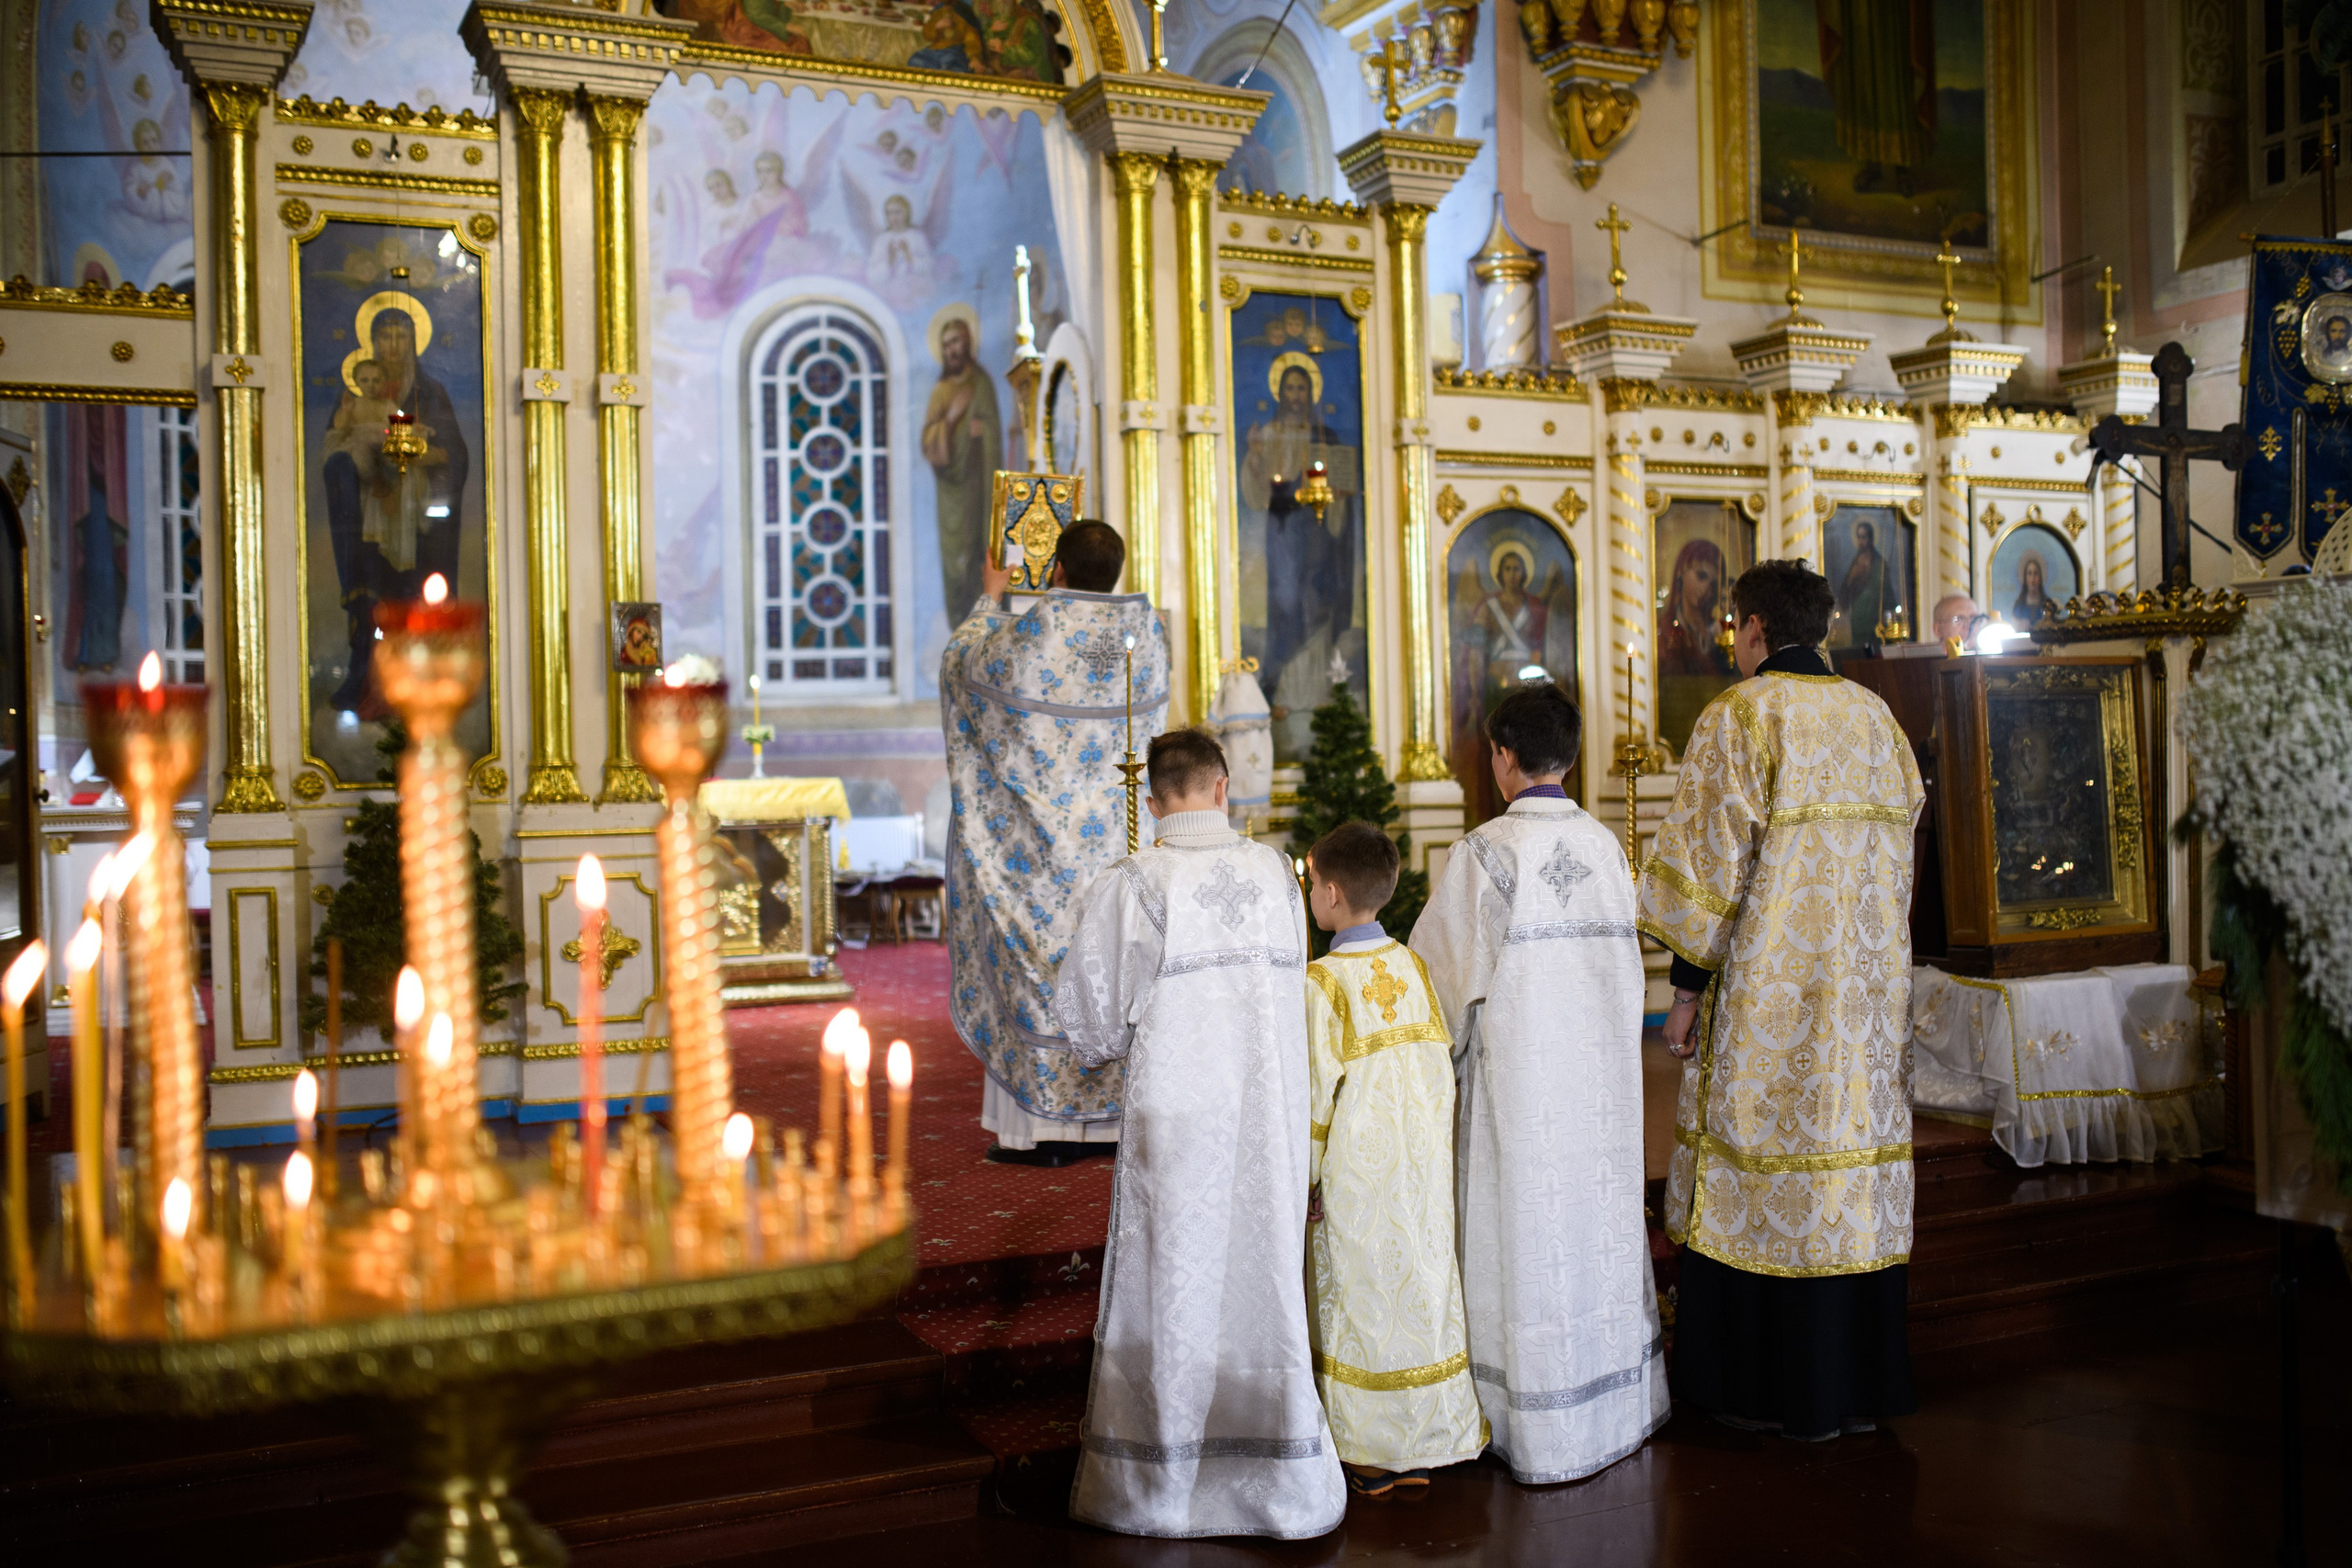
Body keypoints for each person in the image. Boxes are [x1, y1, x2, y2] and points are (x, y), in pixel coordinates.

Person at [1638, 558, 1924, 1443]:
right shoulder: (1877, 719)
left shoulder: (1742, 715)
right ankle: (1855, 1387)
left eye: (1736, 627)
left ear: (1754, 626)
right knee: (1849, 1174)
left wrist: (1682, 994)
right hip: (1865, 1002)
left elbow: (1706, 873)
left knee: (1759, 1166)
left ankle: (1765, 1391)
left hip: (1773, 999)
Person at [1054, 729, 1345, 1540]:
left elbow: (1087, 1024)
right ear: (1224, 789)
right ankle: (1278, 1478)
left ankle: (1162, 1482)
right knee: (1261, 1273)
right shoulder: (1276, 874)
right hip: (1265, 1117)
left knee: (1174, 1275)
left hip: (1176, 1119)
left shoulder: (1136, 882)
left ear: (1152, 803)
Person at [1410, 683, 1668, 1483]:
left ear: (1501, 756)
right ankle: (1609, 1406)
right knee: (1590, 1233)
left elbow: (1436, 986)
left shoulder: (1485, 852)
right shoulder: (1605, 846)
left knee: (1522, 1233)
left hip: (1517, 1090)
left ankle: (1524, 1415)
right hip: (1597, 1092)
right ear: (1573, 753)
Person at [942, 520, 1164, 1165]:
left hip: (1038, 853)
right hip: (1117, 842)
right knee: (1114, 969)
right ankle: (1114, 1122)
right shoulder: (1144, 633)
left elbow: (963, 667)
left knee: (1044, 972)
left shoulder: (1034, 631)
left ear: (1058, 570)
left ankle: (1041, 1131)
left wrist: (990, 597)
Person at [1302, 821, 1486, 1498]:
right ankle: (1433, 1435)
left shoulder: (1322, 981)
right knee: (1422, 1284)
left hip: (1356, 1170)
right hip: (1418, 1165)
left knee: (1362, 1294)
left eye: (1312, 883)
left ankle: (1371, 1448)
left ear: (1330, 892)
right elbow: (1441, 1069)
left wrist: (1307, 1175)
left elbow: (1317, 1094)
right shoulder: (1412, 964)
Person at [922, 311, 1001, 623]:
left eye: (955, 341)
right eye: (946, 345)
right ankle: (959, 620)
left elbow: (994, 426)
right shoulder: (941, 391)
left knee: (980, 550)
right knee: (956, 560)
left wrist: (984, 433)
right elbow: (929, 442)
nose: (951, 349)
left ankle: (983, 614)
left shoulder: (981, 383)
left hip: (980, 485)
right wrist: (953, 420)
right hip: (952, 490)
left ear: (967, 341)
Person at [2009, 550, 2050, 628]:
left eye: (2036, 573)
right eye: (2029, 573)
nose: (2033, 578)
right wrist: (2020, 625)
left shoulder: (2047, 604)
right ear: (2025, 577)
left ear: (2040, 577)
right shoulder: (2019, 605)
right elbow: (2014, 626)